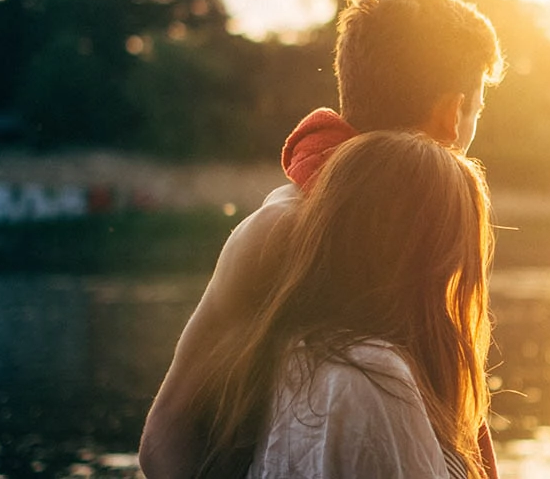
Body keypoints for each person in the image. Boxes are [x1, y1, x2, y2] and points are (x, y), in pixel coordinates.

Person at [139, 0, 505, 478]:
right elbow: (166, 432)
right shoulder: (284, 230)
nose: (473, 127)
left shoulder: (424, 229)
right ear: (449, 113)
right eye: (477, 111)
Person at [195, 131, 495, 477]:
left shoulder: (296, 354)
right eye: (453, 253)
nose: (456, 272)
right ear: (425, 257)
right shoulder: (373, 376)